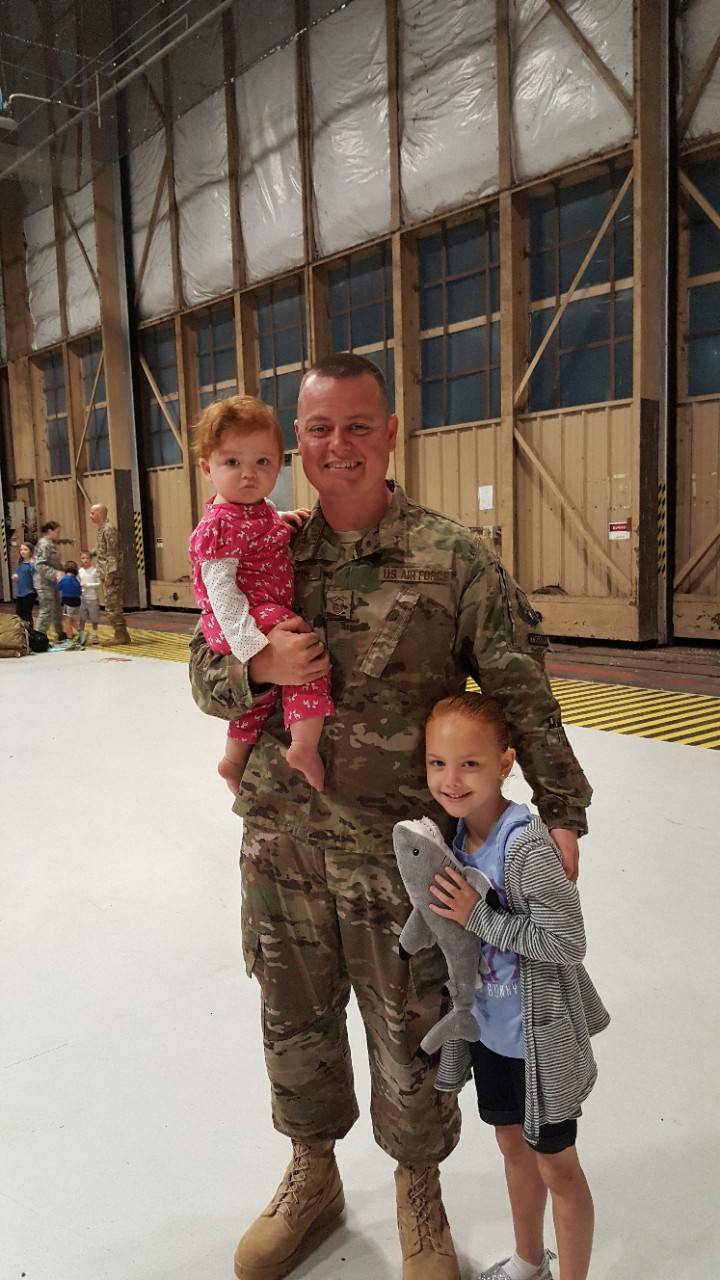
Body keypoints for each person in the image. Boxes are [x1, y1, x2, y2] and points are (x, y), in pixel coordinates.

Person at [188, 353, 592, 1280]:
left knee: (414, 1028)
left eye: (358, 425)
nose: (338, 445)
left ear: (391, 435)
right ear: (297, 443)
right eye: (319, 429)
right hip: (281, 844)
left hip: (403, 859)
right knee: (294, 1019)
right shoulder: (263, 547)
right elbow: (203, 671)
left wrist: (562, 807)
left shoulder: (453, 559)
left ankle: (419, 1190)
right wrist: (255, 672)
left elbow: (521, 687)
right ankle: (313, 1172)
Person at [424, 693, 608, 1280]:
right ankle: (530, 1261)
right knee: (510, 1146)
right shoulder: (452, 838)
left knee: (558, 1166)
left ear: (505, 764)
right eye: (437, 763)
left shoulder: (523, 846)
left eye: (470, 764)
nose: (451, 780)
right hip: (491, 1033)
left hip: (540, 1041)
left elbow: (567, 942)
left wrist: (479, 916)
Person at [188, 395, 334, 793]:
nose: (248, 474)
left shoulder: (257, 509)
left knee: (261, 699)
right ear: (207, 468)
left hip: (254, 612)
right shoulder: (218, 526)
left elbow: (260, 525)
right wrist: (255, 647)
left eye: (262, 462)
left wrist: (281, 519)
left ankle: (233, 761)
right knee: (305, 655)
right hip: (245, 617)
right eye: (232, 462)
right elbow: (221, 591)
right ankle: (304, 744)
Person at [89, 503, 131, 644]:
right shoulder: (102, 529)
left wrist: (110, 575)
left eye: (92, 513)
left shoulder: (109, 529)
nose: (90, 516)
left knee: (113, 606)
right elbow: (103, 548)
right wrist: (90, 553)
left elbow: (112, 553)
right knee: (111, 606)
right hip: (106, 573)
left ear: (100, 514)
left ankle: (121, 636)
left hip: (111, 575)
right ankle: (121, 634)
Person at [34, 521, 65, 644]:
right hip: (44, 583)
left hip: (53, 583)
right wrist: (55, 574)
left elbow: (54, 563)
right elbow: (39, 565)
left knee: (57, 609)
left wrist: (65, 571)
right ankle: (38, 636)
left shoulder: (52, 544)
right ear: (50, 531)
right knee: (46, 609)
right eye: (57, 532)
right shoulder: (43, 544)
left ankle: (60, 633)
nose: (58, 534)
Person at [56, 560, 83, 646]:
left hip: (68, 603)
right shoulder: (76, 580)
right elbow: (80, 592)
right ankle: (81, 632)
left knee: (67, 621)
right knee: (72, 620)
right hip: (77, 603)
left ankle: (69, 639)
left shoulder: (64, 579)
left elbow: (58, 588)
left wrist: (58, 579)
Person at [78, 550, 101, 645]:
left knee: (94, 618)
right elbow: (77, 582)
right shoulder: (79, 571)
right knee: (82, 618)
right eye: (83, 558)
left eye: (87, 558)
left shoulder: (95, 571)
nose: (85, 560)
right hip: (82, 598)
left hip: (93, 598)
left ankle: (95, 635)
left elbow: (99, 583)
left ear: (90, 559)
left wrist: (88, 585)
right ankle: (81, 637)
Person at [12, 543, 37, 626]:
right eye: (21, 550)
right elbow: (18, 573)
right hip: (20, 593)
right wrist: (15, 576)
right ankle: (23, 633)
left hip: (29, 593)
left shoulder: (33, 564)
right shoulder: (21, 563)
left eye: (25, 549)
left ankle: (30, 634)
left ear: (31, 551)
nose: (22, 551)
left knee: (27, 614)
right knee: (19, 614)